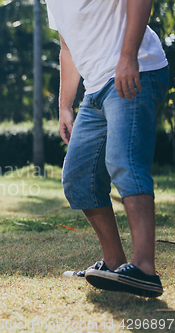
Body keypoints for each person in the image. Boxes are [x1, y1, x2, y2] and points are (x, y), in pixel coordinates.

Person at [46, 0, 169, 297]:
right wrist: (65, 105)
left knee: (124, 162)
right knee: (79, 177)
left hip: (136, 70)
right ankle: (115, 264)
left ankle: (144, 268)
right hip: (96, 89)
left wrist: (128, 58)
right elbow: (68, 47)